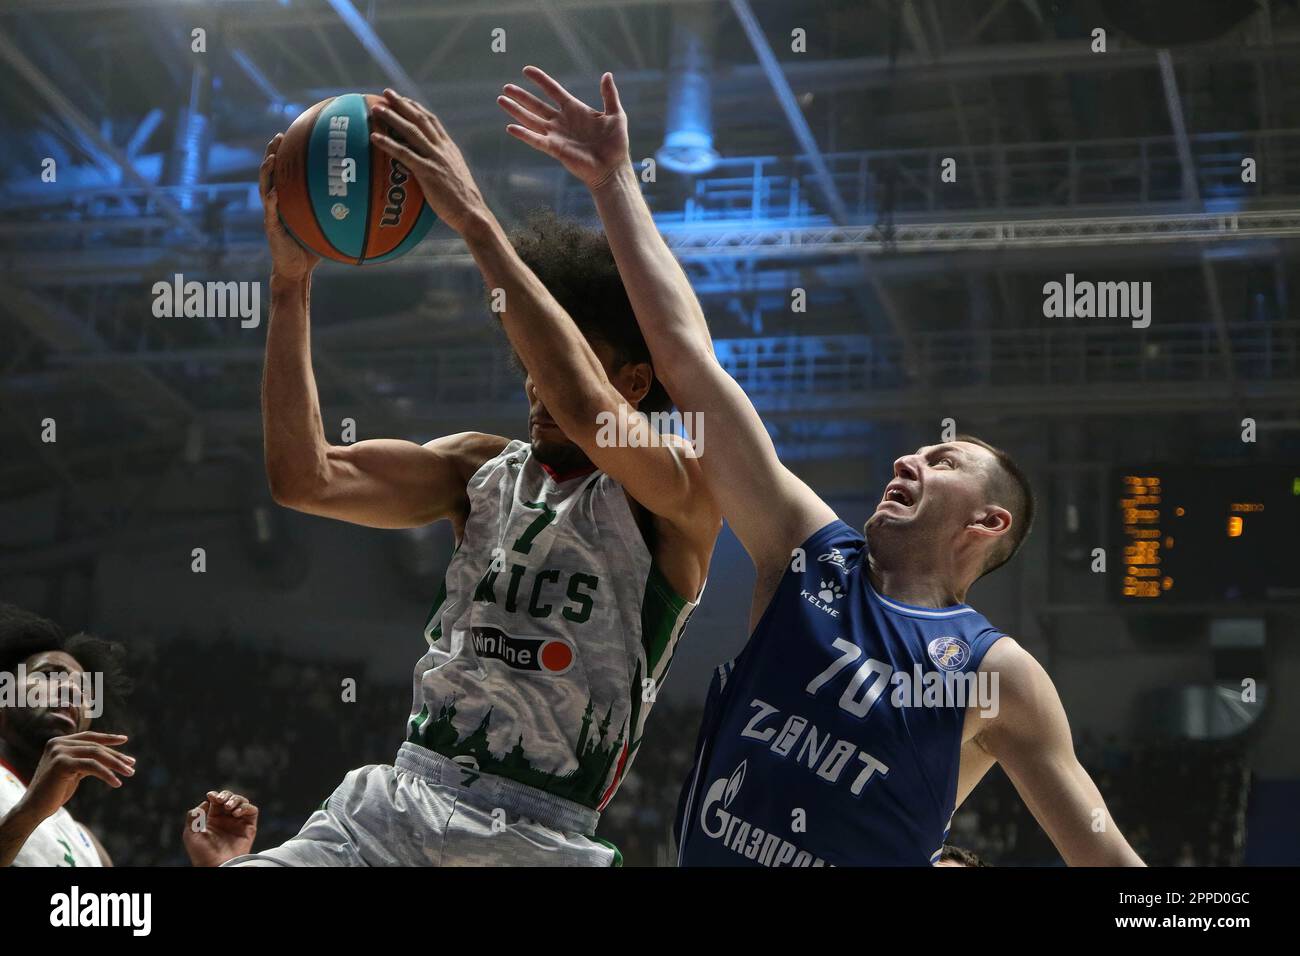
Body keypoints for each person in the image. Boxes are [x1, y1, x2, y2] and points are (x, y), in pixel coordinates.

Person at [497, 67, 1144, 867]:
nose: (909, 458)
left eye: (943, 461)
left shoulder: (993, 674)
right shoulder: (807, 554)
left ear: (988, 522)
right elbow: (690, 367)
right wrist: (613, 180)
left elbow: (1104, 858)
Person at [235, 89, 719, 866]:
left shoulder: (677, 491)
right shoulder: (476, 469)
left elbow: (584, 408)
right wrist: (292, 284)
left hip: (541, 836)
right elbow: (306, 479)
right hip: (397, 806)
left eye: (555, 363)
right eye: (526, 366)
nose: (536, 384)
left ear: (632, 382)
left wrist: (473, 219)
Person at [0, 604, 258, 867]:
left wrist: (217, 866)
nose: (72, 691)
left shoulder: (88, 846)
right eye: (49, 675)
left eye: (86, 692)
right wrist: (30, 813)